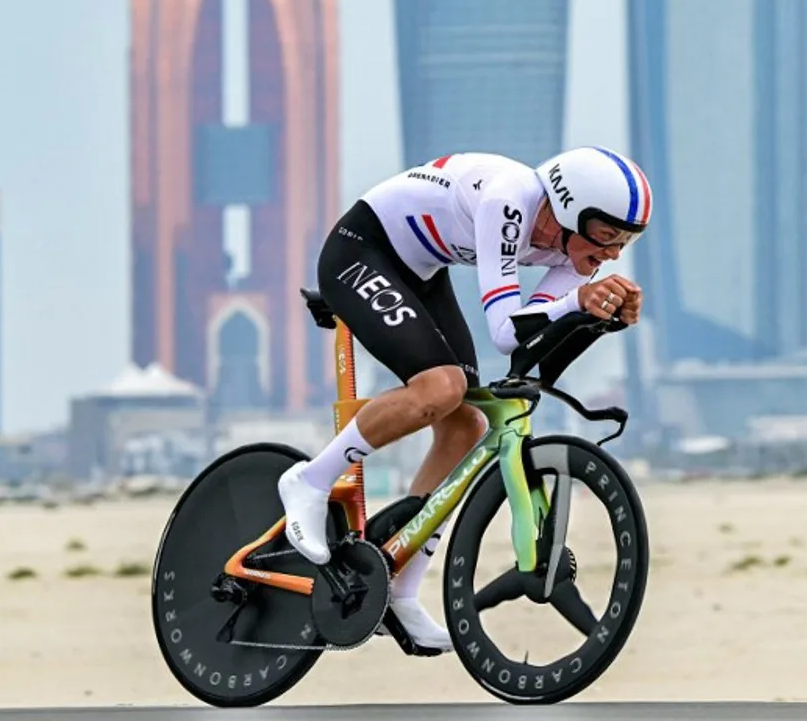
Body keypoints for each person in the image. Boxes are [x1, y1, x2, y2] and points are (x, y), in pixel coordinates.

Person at [277, 146, 652, 652]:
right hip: (361, 252)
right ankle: (308, 480)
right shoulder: (509, 200)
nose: (612, 253)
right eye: (607, 236)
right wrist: (580, 301)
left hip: (423, 271)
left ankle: (400, 590)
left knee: (467, 424)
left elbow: (531, 332)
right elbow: (503, 331)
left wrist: (598, 317)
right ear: (566, 209)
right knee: (440, 387)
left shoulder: (572, 253)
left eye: (624, 242)